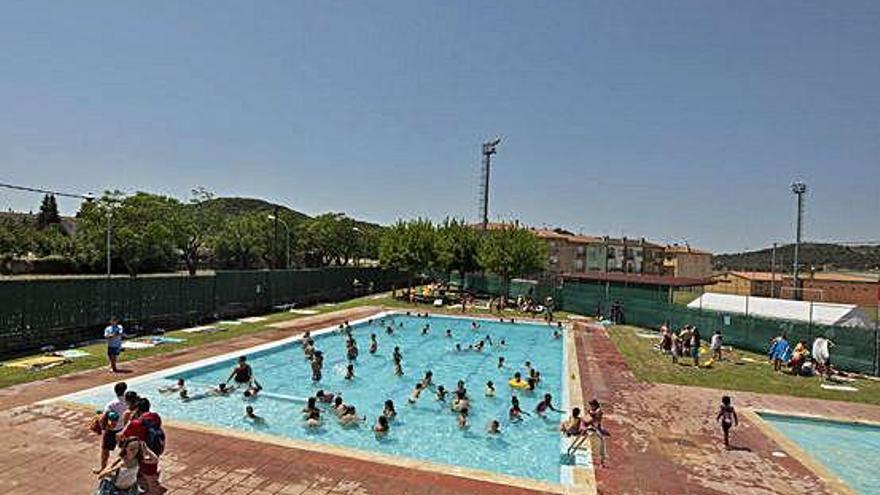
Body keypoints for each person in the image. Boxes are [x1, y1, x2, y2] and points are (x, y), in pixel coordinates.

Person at [119, 398, 166, 495]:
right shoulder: (156, 416)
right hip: (155, 449)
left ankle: (153, 491)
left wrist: (130, 421)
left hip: (143, 453)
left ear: (137, 409)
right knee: (148, 473)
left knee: (150, 479)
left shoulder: (136, 423)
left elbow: (124, 436)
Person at [97, 382, 129, 472]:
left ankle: (103, 468)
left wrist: (101, 426)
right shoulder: (128, 402)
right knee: (124, 450)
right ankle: (123, 467)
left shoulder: (112, 404)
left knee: (105, 450)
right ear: (125, 391)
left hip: (112, 430)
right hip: (123, 429)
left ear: (115, 391)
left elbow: (103, 417)